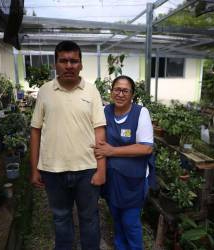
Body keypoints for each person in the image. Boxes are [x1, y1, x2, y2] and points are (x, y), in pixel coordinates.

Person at [30, 40, 106, 250]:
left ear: (81, 64)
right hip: (52, 170)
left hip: (87, 170)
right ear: (55, 64)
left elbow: (100, 131)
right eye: (63, 61)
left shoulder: (92, 91)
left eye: (74, 61)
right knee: (61, 217)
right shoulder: (45, 91)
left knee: (89, 218)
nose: (69, 65)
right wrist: (34, 168)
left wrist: (101, 169)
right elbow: (35, 130)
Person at [93, 75, 154, 250]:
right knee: (117, 220)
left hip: (133, 181)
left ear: (132, 94)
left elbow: (146, 148)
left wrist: (112, 151)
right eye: (117, 90)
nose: (120, 94)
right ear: (111, 92)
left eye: (125, 91)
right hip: (112, 179)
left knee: (130, 222)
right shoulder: (105, 112)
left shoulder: (140, 113)